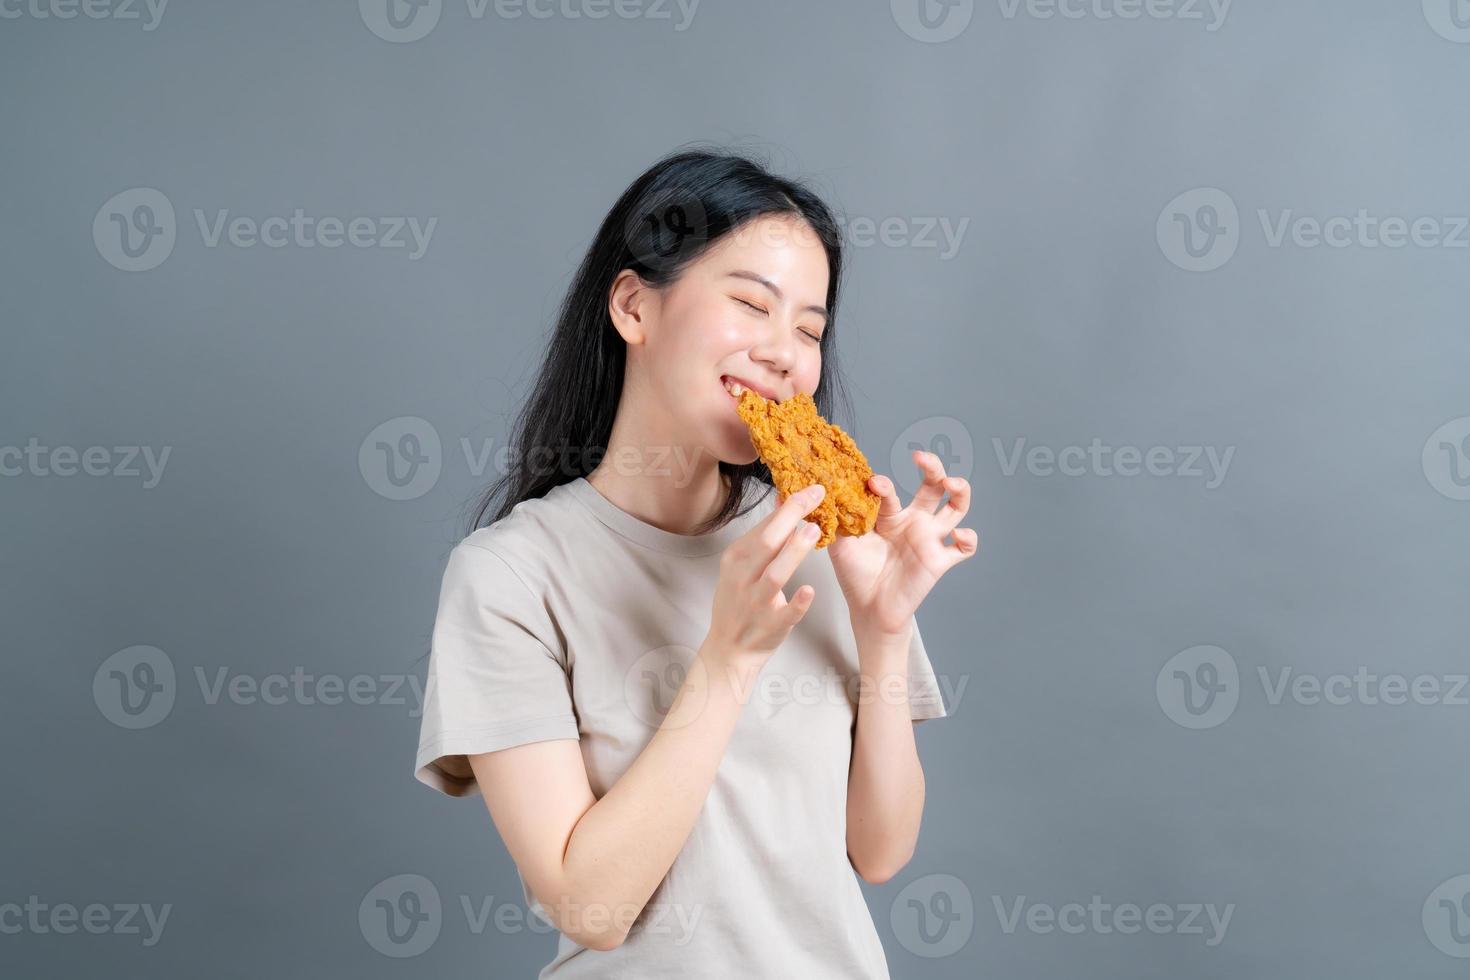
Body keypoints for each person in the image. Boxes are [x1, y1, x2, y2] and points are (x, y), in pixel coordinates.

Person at [412, 146, 977, 978]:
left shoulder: (817, 541)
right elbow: (589, 908)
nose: (787, 355)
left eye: (811, 329)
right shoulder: (509, 577)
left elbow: (881, 851)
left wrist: (884, 628)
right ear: (635, 306)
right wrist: (727, 660)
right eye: (752, 304)